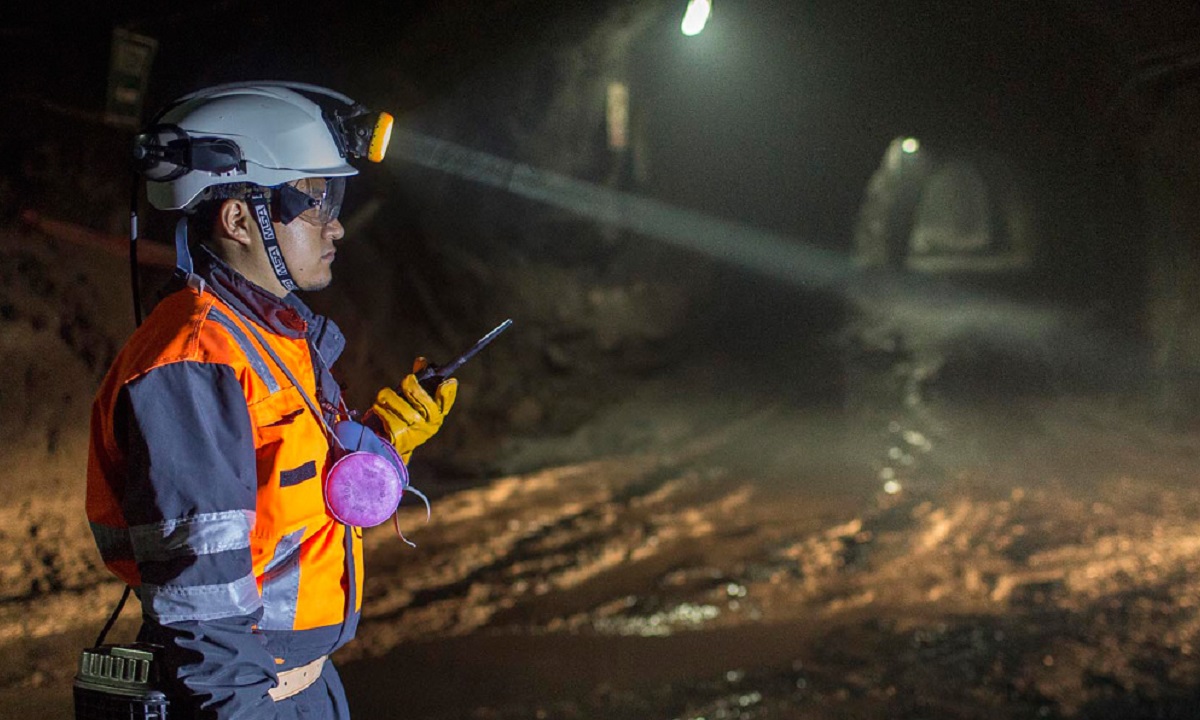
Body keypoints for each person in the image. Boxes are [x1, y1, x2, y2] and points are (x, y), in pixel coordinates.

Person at [85, 82, 456, 719]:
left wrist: (380, 441)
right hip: (249, 699)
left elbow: (283, 508)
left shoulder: (270, 336)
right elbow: (203, 613)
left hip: (306, 688)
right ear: (237, 219)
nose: (336, 224)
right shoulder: (193, 364)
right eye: (314, 202)